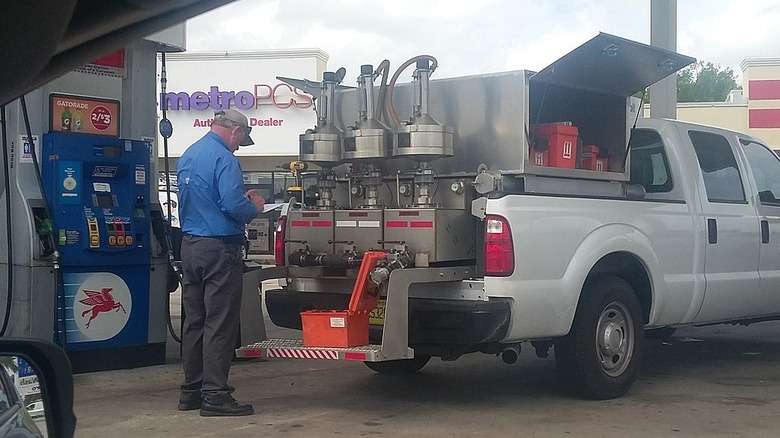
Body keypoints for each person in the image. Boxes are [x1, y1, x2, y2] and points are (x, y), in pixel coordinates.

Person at [176, 109, 264, 417]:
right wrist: (253, 206)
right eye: (241, 140)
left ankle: (192, 390)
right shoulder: (225, 159)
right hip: (219, 250)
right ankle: (215, 394)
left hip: (191, 247)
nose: (238, 146)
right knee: (220, 322)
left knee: (194, 321)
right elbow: (231, 204)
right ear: (236, 131)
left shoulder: (188, 155)